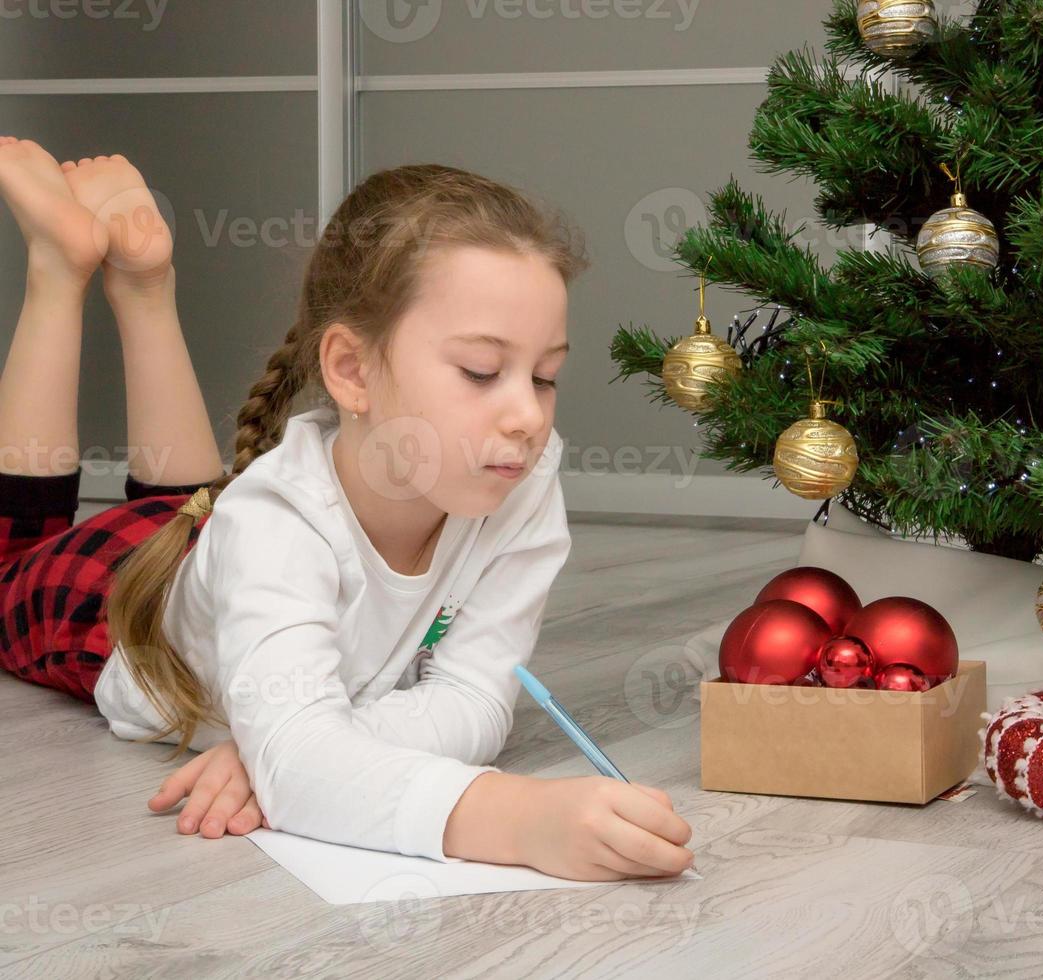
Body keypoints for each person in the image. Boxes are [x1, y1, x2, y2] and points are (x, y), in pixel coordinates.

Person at [0, 137, 695, 882]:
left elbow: (475, 701)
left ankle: (143, 286)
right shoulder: (272, 525)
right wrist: (519, 818)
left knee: (183, 502)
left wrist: (300, 750)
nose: (527, 414)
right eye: (483, 371)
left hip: (215, 538)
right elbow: (311, 762)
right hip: (112, 601)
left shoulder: (521, 483)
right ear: (352, 371)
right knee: (12, 558)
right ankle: (57, 269)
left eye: (546, 375)